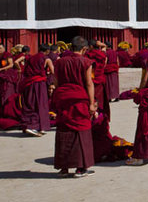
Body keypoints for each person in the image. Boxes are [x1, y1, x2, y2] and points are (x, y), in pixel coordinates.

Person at [52, 36, 97, 178]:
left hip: (63, 98)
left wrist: (57, 99)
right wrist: (91, 103)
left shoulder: (59, 62)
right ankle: (80, 169)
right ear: (84, 49)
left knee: (64, 131)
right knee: (81, 132)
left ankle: (64, 168)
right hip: (79, 100)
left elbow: (56, 82)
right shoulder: (85, 62)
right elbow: (89, 83)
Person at [20, 43, 53, 136]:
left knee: (29, 103)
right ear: (47, 51)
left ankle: (29, 125)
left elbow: (25, 71)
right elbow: (53, 71)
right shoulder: (47, 59)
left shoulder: (30, 58)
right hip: (40, 84)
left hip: (29, 83)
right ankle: (40, 127)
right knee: (40, 103)